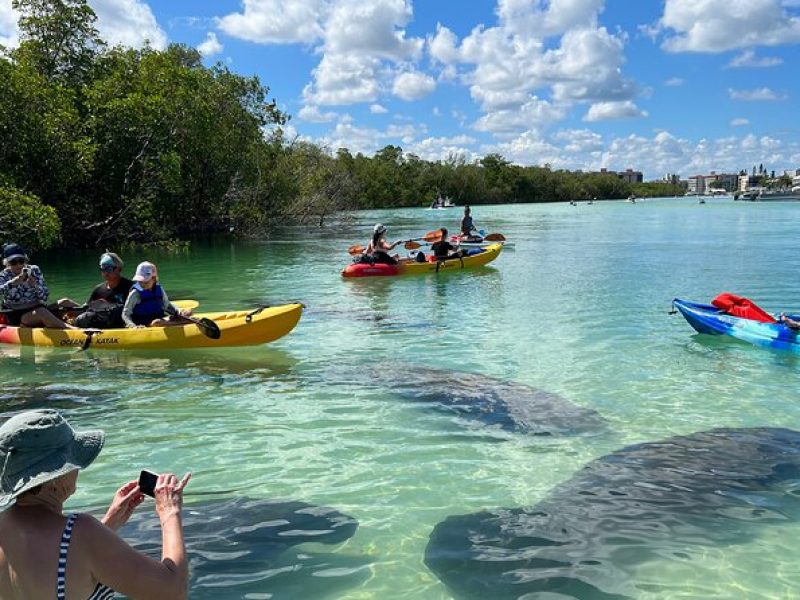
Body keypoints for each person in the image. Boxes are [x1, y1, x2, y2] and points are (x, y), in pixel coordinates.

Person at [0, 409, 190, 599]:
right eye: (72, 462)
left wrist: (109, 523)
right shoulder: (80, 534)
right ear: (55, 477)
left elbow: (55, 564)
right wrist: (169, 511)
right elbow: (173, 591)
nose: (77, 469)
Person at [0, 243, 74, 329]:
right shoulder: (3, 275)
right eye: (13, 262)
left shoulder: (34, 270)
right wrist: (13, 282)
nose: (18, 265)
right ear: (7, 263)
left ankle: (88, 319)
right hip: (18, 315)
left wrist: (35, 286)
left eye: (21, 261)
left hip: (38, 308)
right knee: (41, 312)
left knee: (65, 302)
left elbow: (45, 297)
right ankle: (75, 330)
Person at [59, 252, 133, 328]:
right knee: (64, 303)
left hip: (122, 324)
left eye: (109, 269)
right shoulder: (99, 289)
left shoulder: (130, 287)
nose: (105, 273)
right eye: (103, 269)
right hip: (102, 322)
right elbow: (86, 308)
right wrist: (68, 304)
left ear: (119, 269)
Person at [122, 261, 192, 328]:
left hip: (160, 319)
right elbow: (125, 314)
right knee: (156, 322)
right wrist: (132, 326)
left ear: (154, 279)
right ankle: (185, 322)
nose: (142, 284)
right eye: (140, 281)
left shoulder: (159, 289)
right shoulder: (135, 293)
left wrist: (179, 311)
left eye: (145, 282)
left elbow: (167, 306)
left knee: (188, 312)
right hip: (145, 324)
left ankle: (181, 321)